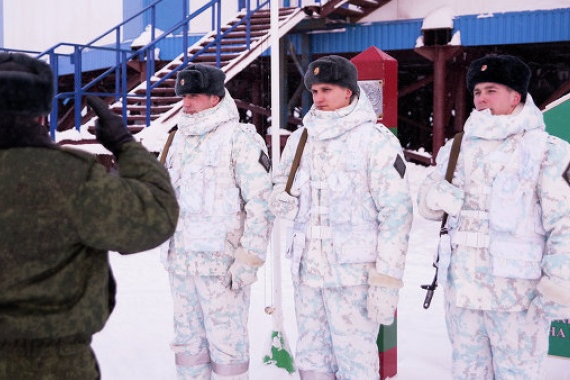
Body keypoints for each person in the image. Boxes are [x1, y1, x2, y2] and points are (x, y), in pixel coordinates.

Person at [0, 52, 179, 379]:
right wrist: (125, 145)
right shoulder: (71, 178)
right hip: (54, 366)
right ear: (41, 116)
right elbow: (156, 214)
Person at [418, 54, 570, 379]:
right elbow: (426, 202)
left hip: (517, 296)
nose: (482, 98)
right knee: (468, 373)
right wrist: (437, 196)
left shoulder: (547, 150)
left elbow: (564, 224)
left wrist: (559, 284)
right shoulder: (456, 148)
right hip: (463, 292)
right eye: (477, 92)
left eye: (491, 90)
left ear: (516, 96)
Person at [268, 55, 413, 380]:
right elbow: (282, 185)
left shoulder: (374, 141)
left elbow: (397, 215)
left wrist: (387, 281)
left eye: (326, 89)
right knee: (312, 357)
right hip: (307, 274)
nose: (318, 98)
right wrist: (279, 197)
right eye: (315, 90)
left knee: (356, 361)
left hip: (353, 278)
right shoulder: (300, 140)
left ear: (348, 91)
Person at [159, 63, 272, 380]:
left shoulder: (239, 139)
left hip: (222, 269)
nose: (186, 103)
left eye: (193, 95)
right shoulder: (176, 139)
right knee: (188, 350)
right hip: (182, 267)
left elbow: (261, 204)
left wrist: (249, 259)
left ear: (214, 97)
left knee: (228, 354)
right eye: (183, 96)